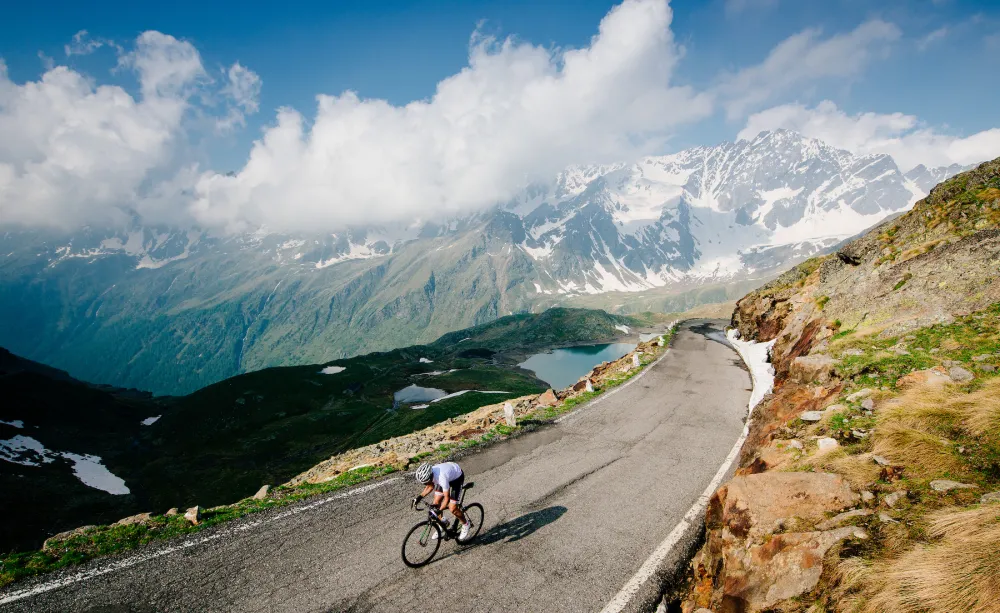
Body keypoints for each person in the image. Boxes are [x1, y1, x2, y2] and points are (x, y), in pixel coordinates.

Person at [413, 461, 473, 540]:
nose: (426, 483)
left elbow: (447, 499)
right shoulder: (430, 475)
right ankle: (442, 524)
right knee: (436, 503)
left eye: (427, 481)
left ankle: (466, 524)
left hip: (456, 478)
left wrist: (439, 510)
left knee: (453, 508)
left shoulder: (441, 478)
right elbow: (430, 486)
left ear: (431, 476)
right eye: (424, 483)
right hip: (448, 472)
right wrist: (418, 498)